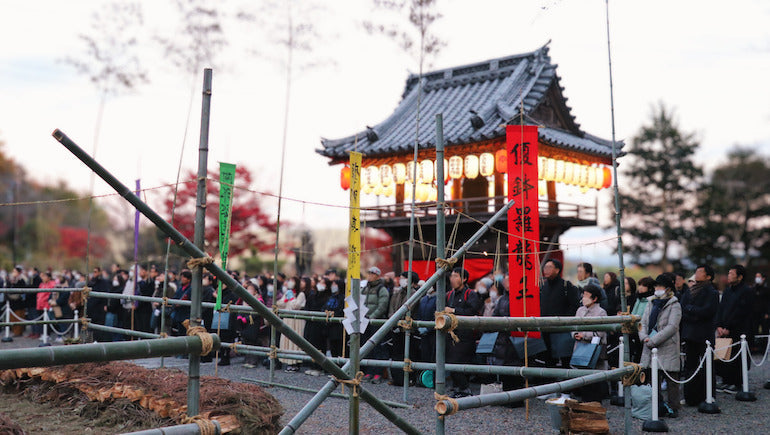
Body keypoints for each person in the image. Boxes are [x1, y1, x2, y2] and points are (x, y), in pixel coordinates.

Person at [640, 274, 682, 417]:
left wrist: (653, 340)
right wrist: (644, 337)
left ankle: (673, 407)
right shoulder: (651, 302)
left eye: (660, 286)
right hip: (650, 344)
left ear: (668, 288)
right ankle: (656, 405)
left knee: (671, 378)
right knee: (653, 378)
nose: (657, 289)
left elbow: (672, 327)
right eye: (656, 286)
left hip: (668, 345)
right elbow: (643, 322)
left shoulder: (675, 305)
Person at [680, 264, 719, 406]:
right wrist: (693, 312)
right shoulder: (690, 291)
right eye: (696, 271)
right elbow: (682, 308)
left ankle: (709, 395)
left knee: (708, 365)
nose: (697, 274)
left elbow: (708, 311)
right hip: (690, 333)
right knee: (690, 365)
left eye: (700, 272)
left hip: (704, 334)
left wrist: (691, 310)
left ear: (708, 276)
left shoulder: (712, 292)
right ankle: (690, 396)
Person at [714, 265, 753, 394]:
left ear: (740, 277)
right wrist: (719, 325)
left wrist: (729, 327)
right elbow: (720, 309)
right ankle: (726, 380)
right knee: (725, 355)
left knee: (738, 357)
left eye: (731, 273)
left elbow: (741, 312)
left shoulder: (746, 291)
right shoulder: (727, 290)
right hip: (724, 330)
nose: (729, 276)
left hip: (739, 330)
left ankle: (737, 383)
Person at [445, 267, 482, 398]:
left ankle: (464, 389)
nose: (452, 279)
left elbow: (472, 311)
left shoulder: (470, 294)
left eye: (456, 276)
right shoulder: (449, 295)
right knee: (451, 361)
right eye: (452, 276)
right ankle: (459, 388)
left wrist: (454, 311)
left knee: (457, 362)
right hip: (450, 334)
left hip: (466, 335)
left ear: (464, 279)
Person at [540, 258, 581, 367]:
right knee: (548, 360)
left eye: (549, 267)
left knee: (565, 360)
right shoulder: (543, 287)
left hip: (562, 330)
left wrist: (564, 320)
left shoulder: (566, 286)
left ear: (557, 270)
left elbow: (575, 305)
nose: (546, 270)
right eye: (545, 267)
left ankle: (566, 382)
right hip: (546, 329)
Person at [572, 284, 609, 401]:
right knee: (582, 377)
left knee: (595, 380)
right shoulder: (580, 310)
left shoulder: (601, 312)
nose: (584, 298)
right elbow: (573, 325)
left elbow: (601, 332)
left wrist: (585, 335)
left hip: (594, 349)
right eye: (583, 295)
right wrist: (574, 334)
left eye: (587, 296)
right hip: (580, 347)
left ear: (595, 298)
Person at [361, 266, 390, 383]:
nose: (369, 276)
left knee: (377, 347)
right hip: (365, 321)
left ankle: (378, 373)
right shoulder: (365, 288)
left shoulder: (381, 289)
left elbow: (382, 306)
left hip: (375, 322)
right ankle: (369, 371)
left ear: (377, 276)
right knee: (366, 347)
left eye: (372, 274)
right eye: (369, 274)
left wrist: (372, 317)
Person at [276, 276, 306, 372]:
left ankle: (296, 363)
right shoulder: (287, 292)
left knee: (295, 341)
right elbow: (279, 303)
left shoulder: (301, 294)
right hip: (288, 319)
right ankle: (288, 362)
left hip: (297, 321)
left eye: (292, 281)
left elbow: (296, 306)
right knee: (287, 340)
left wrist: (292, 298)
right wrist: (285, 300)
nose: (290, 282)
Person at [752, 272, 770, 351]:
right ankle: (755, 347)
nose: (757, 278)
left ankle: (764, 348)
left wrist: (768, 313)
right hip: (754, 314)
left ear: (763, 278)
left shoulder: (767, 289)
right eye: (756, 276)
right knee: (754, 330)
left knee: (765, 330)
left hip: (764, 313)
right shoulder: (753, 288)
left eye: (758, 276)